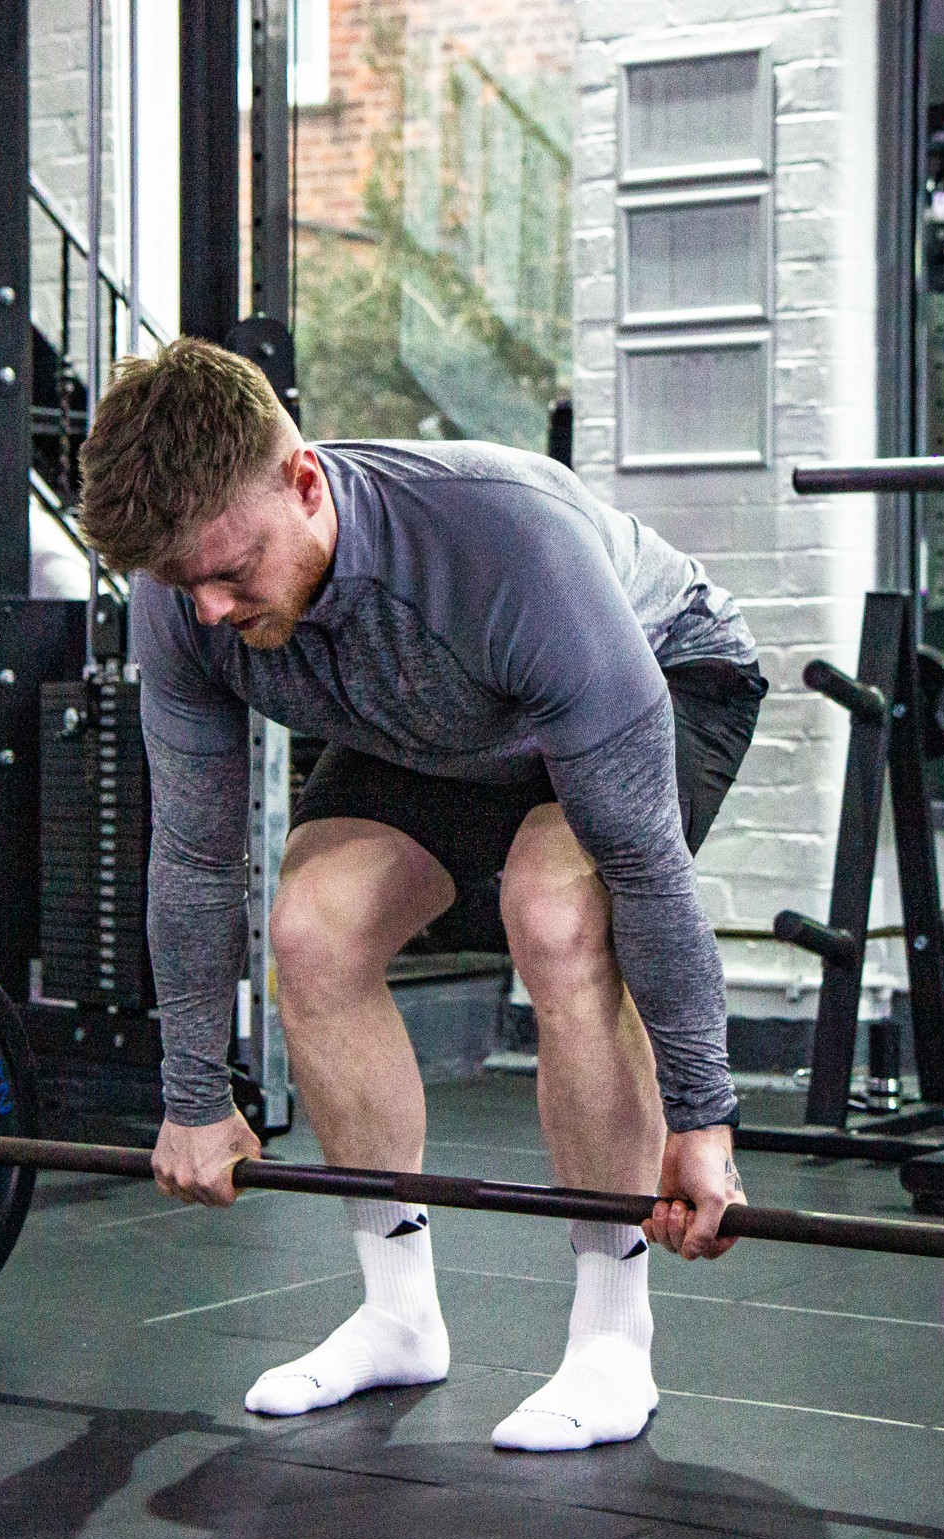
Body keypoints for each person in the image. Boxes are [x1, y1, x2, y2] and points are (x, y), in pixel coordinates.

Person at [75, 338, 767, 1452]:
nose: (205, 609)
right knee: (313, 930)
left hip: (660, 669)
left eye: (232, 571)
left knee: (555, 911)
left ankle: (610, 1334)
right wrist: (193, 1095)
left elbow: (643, 866)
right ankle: (396, 1313)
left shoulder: (503, 544)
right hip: (441, 721)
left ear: (304, 483)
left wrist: (703, 1118)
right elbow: (196, 859)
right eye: (180, 583)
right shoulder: (189, 598)